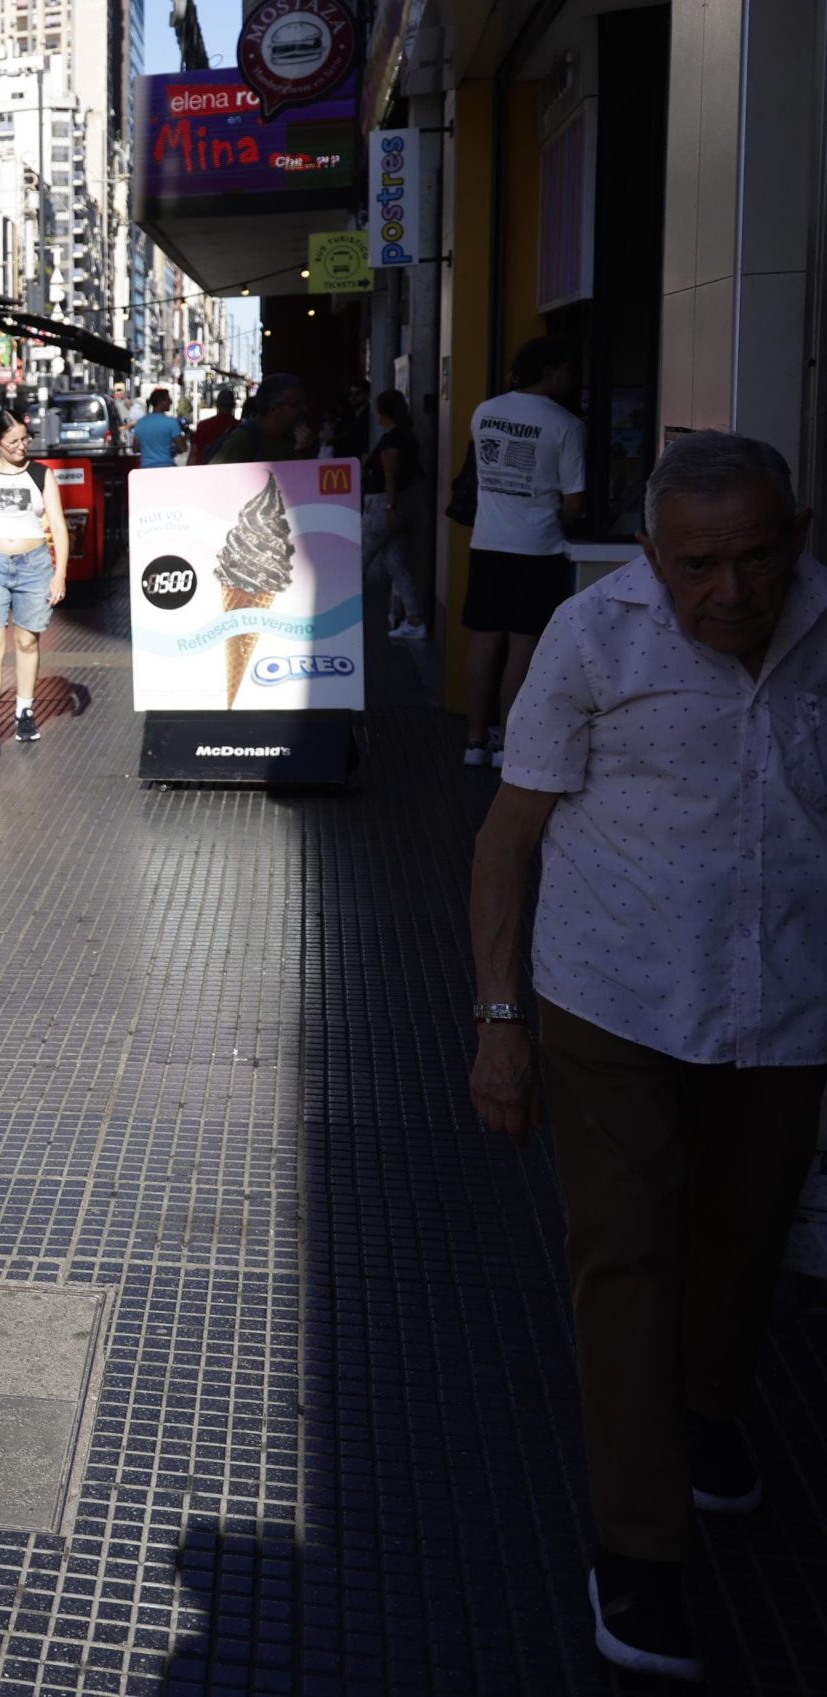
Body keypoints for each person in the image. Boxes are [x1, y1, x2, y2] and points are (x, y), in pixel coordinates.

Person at [467, 431, 825, 1685]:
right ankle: (638, 1546)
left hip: (784, 1007)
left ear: (797, 531)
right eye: (698, 565)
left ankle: (711, 1409)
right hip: (607, 1001)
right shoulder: (592, 636)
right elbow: (506, 837)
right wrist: (499, 1023)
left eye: (755, 557)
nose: (729, 590)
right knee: (623, 1256)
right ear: (653, 555)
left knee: (745, 1240)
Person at [462, 335, 586, 766]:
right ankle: (506, 745)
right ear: (549, 371)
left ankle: (474, 742)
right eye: (568, 370)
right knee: (523, 646)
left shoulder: (485, 412)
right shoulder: (566, 424)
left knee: (483, 641)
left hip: (487, 543)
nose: (572, 378)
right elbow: (574, 503)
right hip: (538, 548)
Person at [0, 409, 70, 754]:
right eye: (13, 441)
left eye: (25, 438)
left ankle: (24, 709)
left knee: (27, 642)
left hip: (34, 565)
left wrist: (60, 572)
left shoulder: (40, 475)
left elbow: (59, 527)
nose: (22, 446)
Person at [361, 389, 430, 640]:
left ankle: (340, 616)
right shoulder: (407, 436)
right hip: (403, 504)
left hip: (383, 505)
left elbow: (390, 475)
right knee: (395, 563)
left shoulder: (392, 440)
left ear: (382, 412)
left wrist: (389, 509)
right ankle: (414, 619)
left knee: (359, 557)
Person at [203, 373, 311, 464]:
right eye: (296, 405)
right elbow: (213, 482)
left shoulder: (291, 440)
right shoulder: (242, 440)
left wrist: (303, 453)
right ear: (273, 409)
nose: (304, 409)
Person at [131, 387, 186, 470]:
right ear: (161, 402)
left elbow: (135, 449)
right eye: (168, 399)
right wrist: (173, 449)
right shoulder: (171, 422)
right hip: (167, 468)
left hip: (146, 469)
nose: (171, 402)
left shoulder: (140, 423)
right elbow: (183, 448)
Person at [327, 379, 373, 463]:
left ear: (368, 395)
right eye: (351, 393)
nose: (353, 397)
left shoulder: (370, 416)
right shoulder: (346, 413)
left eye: (358, 394)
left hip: (357, 460)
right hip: (341, 460)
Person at [187, 390, 238, 465]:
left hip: (205, 470)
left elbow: (194, 453)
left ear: (217, 405)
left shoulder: (203, 425)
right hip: (232, 471)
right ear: (233, 406)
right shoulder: (239, 426)